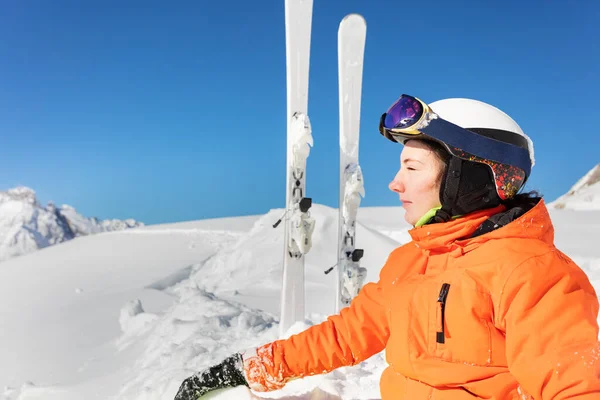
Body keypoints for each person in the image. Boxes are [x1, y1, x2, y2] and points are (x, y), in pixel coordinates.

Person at [174, 94, 600, 400]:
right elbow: (346, 334)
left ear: (467, 179)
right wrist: (249, 367)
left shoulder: (534, 273)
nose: (395, 184)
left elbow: (575, 385)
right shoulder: (413, 261)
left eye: (412, 168)